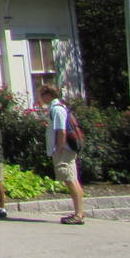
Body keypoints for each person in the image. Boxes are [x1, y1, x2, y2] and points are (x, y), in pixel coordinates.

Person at [39, 84, 86, 225]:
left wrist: (58, 149)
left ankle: (78, 214)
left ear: (48, 95)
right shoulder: (58, 108)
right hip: (65, 149)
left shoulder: (57, 109)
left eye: (42, 95)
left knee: (70, 180)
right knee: (73, 180)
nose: (41, 99)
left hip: (64, 150)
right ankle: (79, 212)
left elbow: (61, 131)